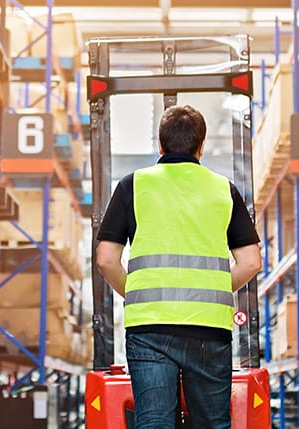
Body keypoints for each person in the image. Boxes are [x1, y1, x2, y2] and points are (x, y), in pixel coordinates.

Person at [95, 104, 263, 429]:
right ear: (201, 146)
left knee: (154, 422)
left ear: (160, 145)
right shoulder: (223, 189)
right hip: (209, 328)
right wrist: (211, 289)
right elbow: (251, 261)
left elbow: (105, 259)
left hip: (150, 328)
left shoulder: (133, 185)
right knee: (212, 423)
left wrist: (136, 293)